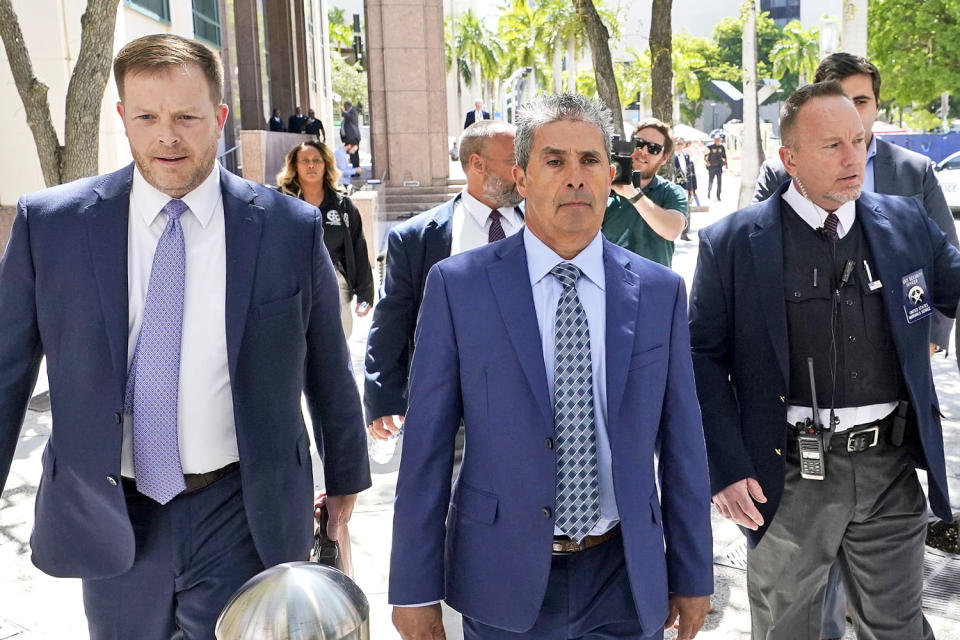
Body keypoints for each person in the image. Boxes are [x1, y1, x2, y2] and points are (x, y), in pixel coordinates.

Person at [0, 34, 371, 640]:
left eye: (187, 117)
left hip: (241, 509)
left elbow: (327, 365)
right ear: (122, 117)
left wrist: (347, 477)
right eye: (146, 116)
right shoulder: (52, 226)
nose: (166, 136)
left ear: (220, 118)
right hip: (115, 512)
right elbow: (5, 369)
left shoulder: (286, 229)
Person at [389, 92, 713, 640]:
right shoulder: (459, 287)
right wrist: (413, 589)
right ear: (520, 176)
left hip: (625, 579)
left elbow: (683, 442)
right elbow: (427, 450)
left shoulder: (659, 292)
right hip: (502, 578)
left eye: (589, 161)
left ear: (611, 175)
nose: (575, 177)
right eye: (554, 160)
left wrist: (693, 570)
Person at [689, 81, 960, 640]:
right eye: (832, 145)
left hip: (889, 469)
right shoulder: (734, 243)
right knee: (789, 627)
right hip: (785, 477)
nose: (853, 158)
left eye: (859, 141)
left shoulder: (905, 223)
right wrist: (726, 465)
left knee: (898, 626)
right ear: (789, 159)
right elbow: (703, 359)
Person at [365, 120, 524, 439]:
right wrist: (382, 397)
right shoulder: (417, 238)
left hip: (530, 408)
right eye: (513, 162)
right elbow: (391, 320)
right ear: (477, 164)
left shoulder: (543, 229)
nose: (523, 171)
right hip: (452, 415)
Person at [277, 140, 373, 338]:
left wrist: (365, 294)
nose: (311, 165)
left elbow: (358, 248)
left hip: (335, 284)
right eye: (305, 161)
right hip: (292, 287)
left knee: (336, 347)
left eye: (316, 160)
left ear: (326, 164)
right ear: (294, 166)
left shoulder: (342, 205)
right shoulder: (280, 203)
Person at [601, 117, 689, 267]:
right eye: (638, 143)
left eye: (653, 148)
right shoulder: (604, 187)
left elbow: (672, 230)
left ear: (664, 158)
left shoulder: (671, 192)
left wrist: (634, 195)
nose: (643, 151)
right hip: (611, 284)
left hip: (655, 285)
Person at [704, 134, 727, 200]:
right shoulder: (710, 146)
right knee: (711, 180)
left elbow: (724, 156)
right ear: (714, 140)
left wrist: (726, 164)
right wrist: (707, 162)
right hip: (712, 166)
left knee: (719, 182)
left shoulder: (722, 147)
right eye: (716, 140)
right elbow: (704, 156)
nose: (717, 141)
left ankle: (718, 196)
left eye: (718, 140)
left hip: (719, 166)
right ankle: (709, 192)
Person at [340, 101, 362, 168]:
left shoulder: (353, 111)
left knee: (354, 154)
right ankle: (355, 169)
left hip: (353, 137)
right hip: (349, 138)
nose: (344, 108)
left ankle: (356, 170)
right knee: (352, 154)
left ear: (347, 105)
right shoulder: (349, 112)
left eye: (344, 106)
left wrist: (344, 113)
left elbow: (350, 117)